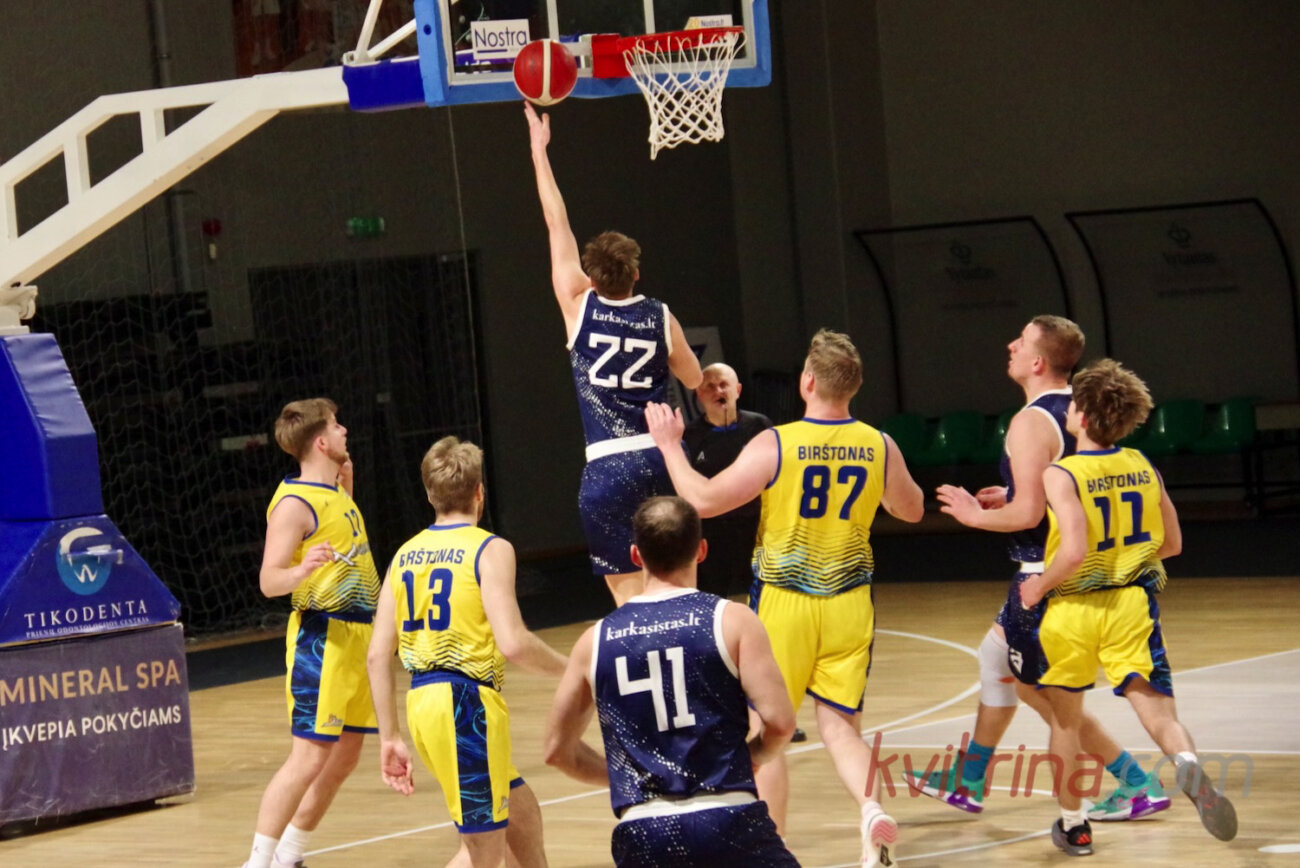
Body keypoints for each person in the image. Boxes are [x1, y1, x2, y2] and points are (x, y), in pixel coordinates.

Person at [645, 329, 925, 868]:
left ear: (807, 381)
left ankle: (771, 849)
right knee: (841, 726)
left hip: (785, 602)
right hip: (850, 604)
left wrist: (668, 446)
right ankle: (870, 811)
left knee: (768, 730)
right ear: (854, 386)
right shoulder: (879, 443)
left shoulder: (778, 442)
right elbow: (910, 510)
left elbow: (703, 498)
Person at [908, 316, 1164, 822]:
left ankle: (1135, 782)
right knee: (996, 659)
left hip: (1044, 572)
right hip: (1084, 568)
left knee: (1042, 692)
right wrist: (1013, 493)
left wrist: (976, 515)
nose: (1011, 345)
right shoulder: (1078, 408)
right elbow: (1065, 486)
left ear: (1039, 361)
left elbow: (1027, 515)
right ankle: (970, 779)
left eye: (1021, 341)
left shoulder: (1030, 422)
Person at [1021, 358, 1238, 855]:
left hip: (1072, 611)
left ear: (1080, 415)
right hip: (1132, 606)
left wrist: (1037, 588)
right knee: (1159, 713)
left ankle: (1074, 825)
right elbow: (1173, 544)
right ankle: (1187, 765)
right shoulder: (1143, 465)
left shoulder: (1063, 472)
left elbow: (1073, 552)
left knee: (1066, 722)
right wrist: (1126, 557)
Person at [543, 496, 799, 867]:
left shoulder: (594, 641)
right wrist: (754, 756)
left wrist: (623, 777)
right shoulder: (732, 620)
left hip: (645, 828)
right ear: (701, 550)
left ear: (635, 555)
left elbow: (556, 750)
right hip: (727, 816)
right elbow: (781, 723)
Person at [525, 102, 704, 606]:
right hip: (660, 458)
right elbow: (693, 380)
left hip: (607, 466)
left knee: (629, 606)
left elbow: (555, 221)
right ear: (636, 275)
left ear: (590, 276)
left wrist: (540, 152)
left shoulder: (576, 303)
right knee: (677, 591)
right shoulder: (659, 315)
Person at [367, 436, 568, 868]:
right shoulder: (489, 548)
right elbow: (513, 642)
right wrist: (572, 671)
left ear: (429, 494)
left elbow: (377, 655)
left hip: (425, 703)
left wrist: (390, 737)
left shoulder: (404, 555)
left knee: (522, 813)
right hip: (464, 705)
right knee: (483, 856)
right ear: (479, 491)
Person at [244, 398, 380, 868]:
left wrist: (347, 487)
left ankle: (290, 855)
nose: (345, 431)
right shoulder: (294, 504)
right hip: (323, 639)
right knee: (308, 757)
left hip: (359, 636)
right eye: (337, 426)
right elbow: (269, 581)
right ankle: (257, 862)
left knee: (345, 755)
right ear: (320, 442)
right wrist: (302, 570)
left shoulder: (336, 487)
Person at [681, 363, 774, 598]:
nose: (718, 391)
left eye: (724, 384)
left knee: (763, 594)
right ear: (699, 394)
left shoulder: (760, 426)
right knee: (713, 596)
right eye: (710, 386)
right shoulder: (689, 436)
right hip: (712, 533)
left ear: (738, 390)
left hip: (755, 527)